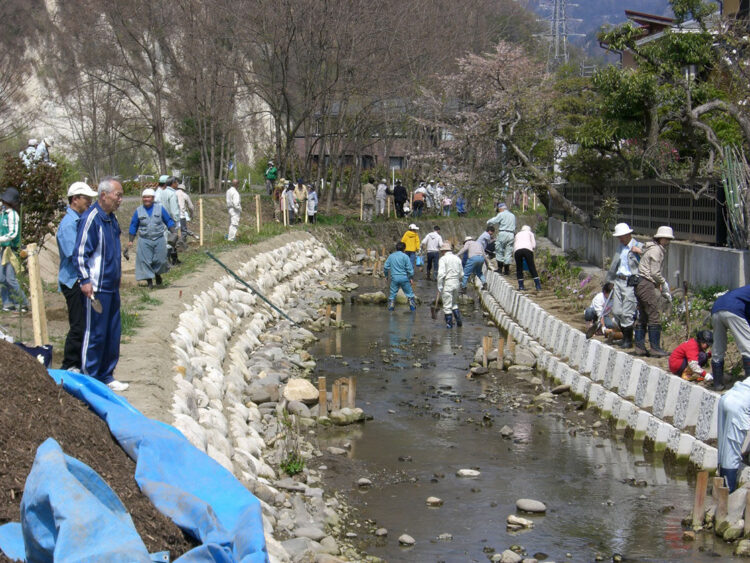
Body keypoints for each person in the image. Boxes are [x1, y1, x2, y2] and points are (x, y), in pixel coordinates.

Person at [74, 177, 128, 392]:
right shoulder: (92, 219)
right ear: (104, 195)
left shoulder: (111, 220)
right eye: (118, 195)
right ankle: (91, 378)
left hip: (112, 287)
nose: (120, 200)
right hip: (96, 288)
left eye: (122, 195)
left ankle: (107, 375)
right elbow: (79, 253)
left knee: (113, 333)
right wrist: (85, 280)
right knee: (95, 333)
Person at [56, 181, 99, 371]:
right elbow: (74, 254)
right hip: (73, 280)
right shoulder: (68, 225)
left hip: (81, 279)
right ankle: (69, 365)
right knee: (78, 325)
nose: (89, 202)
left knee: (85, 324)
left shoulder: (80, 221)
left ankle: (81, 362)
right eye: (86, 198)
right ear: (75, 200)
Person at [633, 226, 674, 357]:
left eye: (668, 239)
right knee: (653, 314)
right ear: (660, 238)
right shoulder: (656, 250)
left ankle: (640, 347)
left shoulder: (651, 248)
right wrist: (663, 282)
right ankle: (655, 348)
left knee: (643, 314)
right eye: (666, 239)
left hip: (640, 282)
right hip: (645, 283)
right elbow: (655, 273)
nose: (667, 241)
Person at [128, 188, 177, 289]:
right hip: (144, 239)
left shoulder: (160, 208)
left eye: (148, 197)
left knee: (161, 260)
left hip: (158, 238)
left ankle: (157, 274)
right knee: (145, 261)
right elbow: (133, 225)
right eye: (144, 197)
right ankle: (149, 282)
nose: (146, 199)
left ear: (153, 198)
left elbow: (168, 220)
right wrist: (130, 240)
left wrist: (174, 232)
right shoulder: (138, 211)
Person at [605, 223, 643, 349]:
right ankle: (625, 335)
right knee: (616, 311)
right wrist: (610, 280)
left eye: (621, 236)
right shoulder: (620, 247)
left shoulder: (637, 246)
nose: (620, 239)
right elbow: (615, 265)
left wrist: (640, 252)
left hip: (630, 282)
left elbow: (648, 258)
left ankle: (628, 340)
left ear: (628, 235)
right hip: (619, 280)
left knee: (627, 312)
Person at [710, 285, 750, 391]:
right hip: (733, 309)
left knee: (718, 348)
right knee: (748, 349)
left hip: (716, 309)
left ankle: (718, 384)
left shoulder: (743, 291)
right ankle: (748, 385)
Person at [718, 378, 750, 492]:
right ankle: (728, 493)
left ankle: (720, 487)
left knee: (723, 450)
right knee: (731, 454)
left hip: (728, 396)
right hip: (739, 406)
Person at [0, 188, 29, 313]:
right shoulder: (3, 212)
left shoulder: (13, 215)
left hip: (12, 249)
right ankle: (8, 302)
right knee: (1, 277)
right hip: (4, 248)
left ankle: (22, 303)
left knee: (10, 277)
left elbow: (13, 233)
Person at [383, 241, 416, 312]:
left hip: (394, 278)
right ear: (404, 249)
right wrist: (411, 277)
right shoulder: (405, 256)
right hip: (404, 278)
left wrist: (386, 276)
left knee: (392, 295)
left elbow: (385, 267)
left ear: (396, 248)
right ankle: (413, 312)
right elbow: (410, 269)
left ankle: (391, 311)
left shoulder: (391, 256)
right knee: (410, 295)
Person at [437, 241, 463, 328]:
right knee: (454, 303)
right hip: (456, 282)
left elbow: (441, 274)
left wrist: (439, 285)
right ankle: (459, 323)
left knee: (447, 306)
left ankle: (449, 327)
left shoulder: (443, 259)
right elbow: (461, 274)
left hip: (448, 283)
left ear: (443, 251)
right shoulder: (457, 258)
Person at [486, 202, 516, 275]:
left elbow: (493, 221)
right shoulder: (512, 215)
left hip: (503, 233)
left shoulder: (501, 214)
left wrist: (488, 222)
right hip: (511, 234)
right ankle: (506, 270)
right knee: (508, 252)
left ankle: (499, 269)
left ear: (500, 209)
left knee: (499, 250)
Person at [513, 225, 541, 291]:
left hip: (517, 250)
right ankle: (537, 285)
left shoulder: (517, 234)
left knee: (519, 268)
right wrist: (532, 249)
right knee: (532, 267)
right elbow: (533, 245)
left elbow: (515, 244)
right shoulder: (530, 233)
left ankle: (521, 286)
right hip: (527, 250)